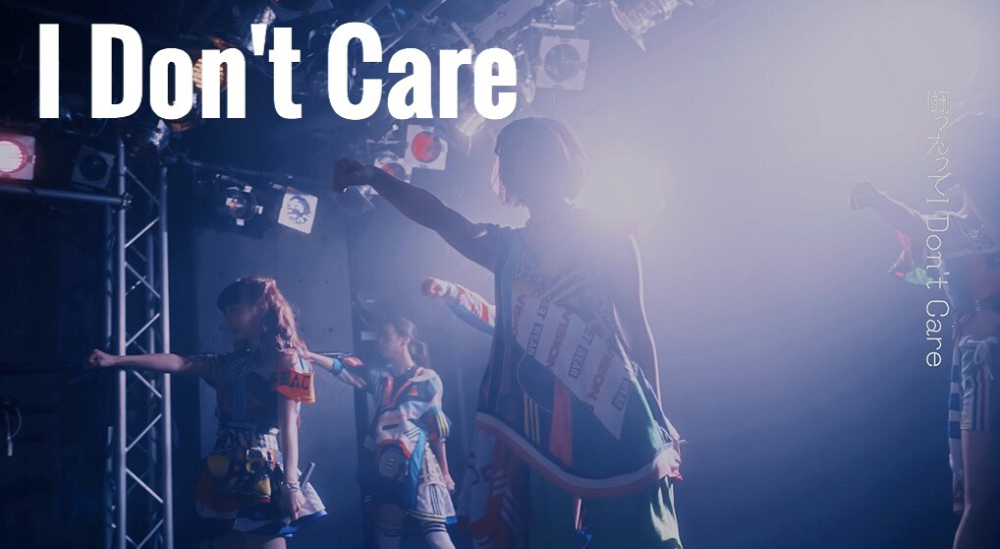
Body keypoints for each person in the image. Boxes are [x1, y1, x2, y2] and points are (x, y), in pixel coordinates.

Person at [333, 117, 683, 548]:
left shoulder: (610, 236)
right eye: (505, 156)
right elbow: (440, 217)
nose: (510, 164)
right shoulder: (506, 248)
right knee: (546, 539)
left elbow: (636, 329)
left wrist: (659, 417)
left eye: (520, 153)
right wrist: (376, 178)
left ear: (553, 159)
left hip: (614, 409)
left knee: (644, 536)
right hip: (538, 426)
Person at [89, 276, 326, 549]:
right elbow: (180, 363)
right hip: (225, 471)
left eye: (234, 309)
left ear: (260, 307)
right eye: (225, 312)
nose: (228, 319)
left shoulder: (286, 359)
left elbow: (289, 426)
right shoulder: (233, 362)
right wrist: (116, 360)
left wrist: (290, 484)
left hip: (261, 470)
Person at [852, 114, 1000, 549]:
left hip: (984, 362)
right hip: (980, 366)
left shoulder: (986, 218)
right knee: (980, 505)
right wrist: (877, 198)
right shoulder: (955, 224)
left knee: (985, 508)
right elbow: (916, 222)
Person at [307, 317, 457, 549]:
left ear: (404, 340)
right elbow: (344, 369)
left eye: (387, 336)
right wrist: (311, 356)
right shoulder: (381, 377)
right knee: (387, 537)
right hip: (387, 463)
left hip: (419, 462)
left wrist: (445, 472)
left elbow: (437, 429)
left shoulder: (428, 378)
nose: (381, 342)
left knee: (437, 537)